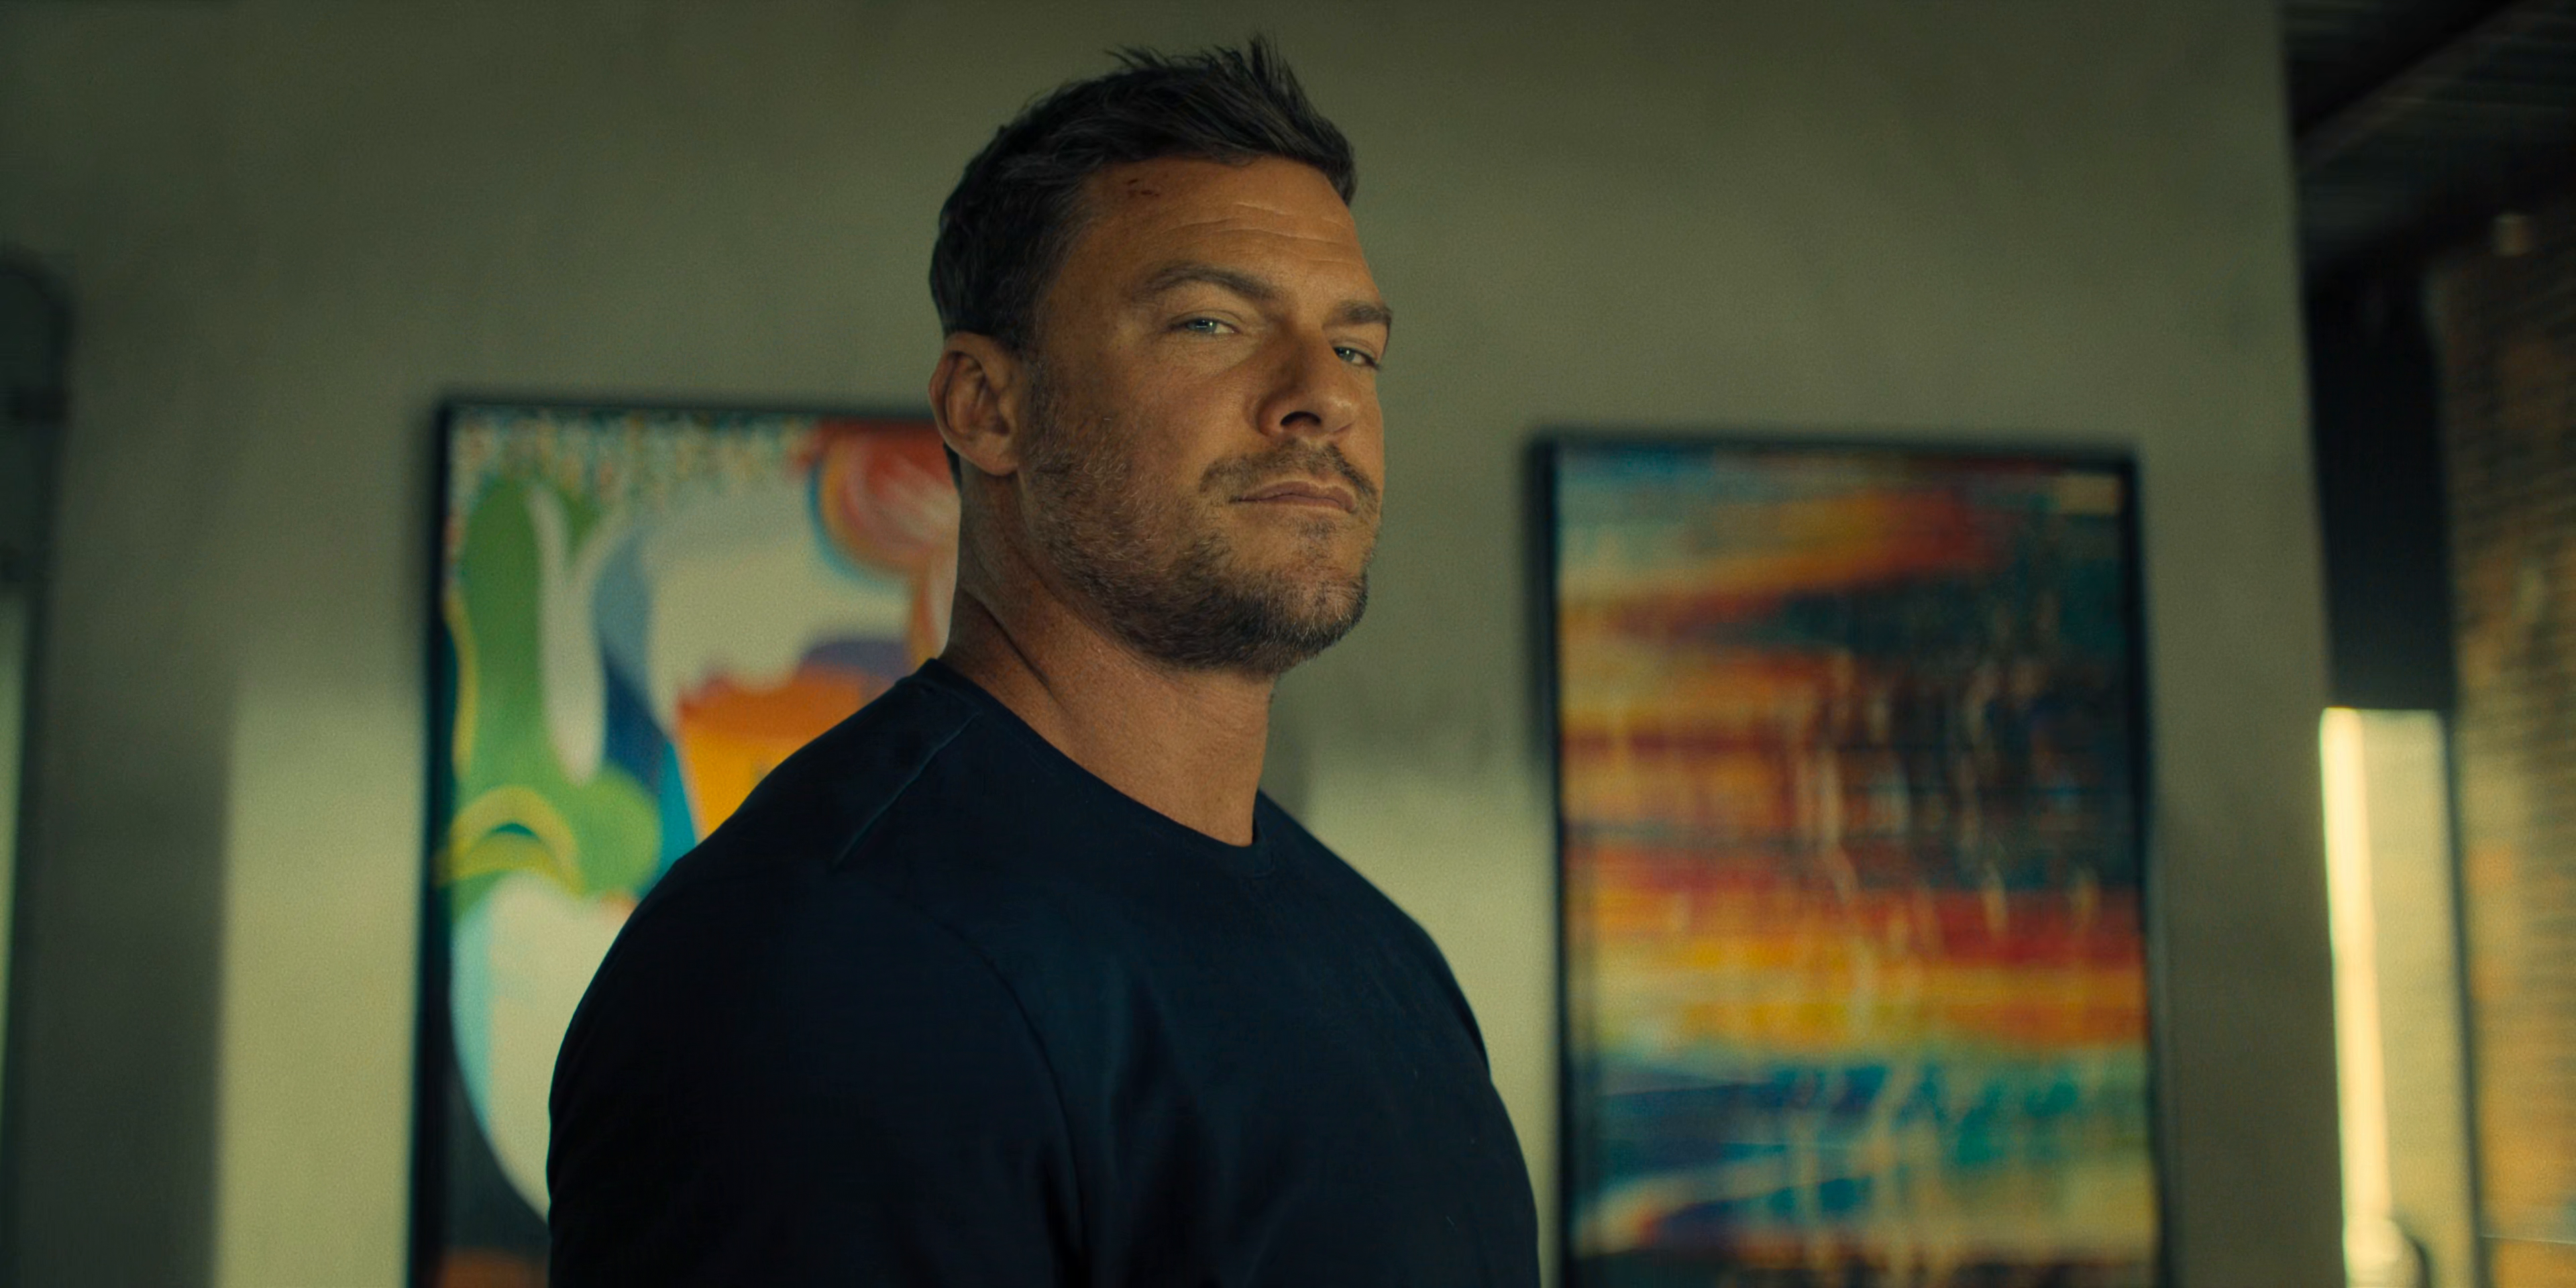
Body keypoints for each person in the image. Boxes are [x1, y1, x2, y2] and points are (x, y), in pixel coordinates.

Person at [547, 38, 1540, 1287]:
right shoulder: (829, 966)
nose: (1321, 397)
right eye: (1211, 322)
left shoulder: (1384, 961)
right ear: (987, 407)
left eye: (1357, 349)